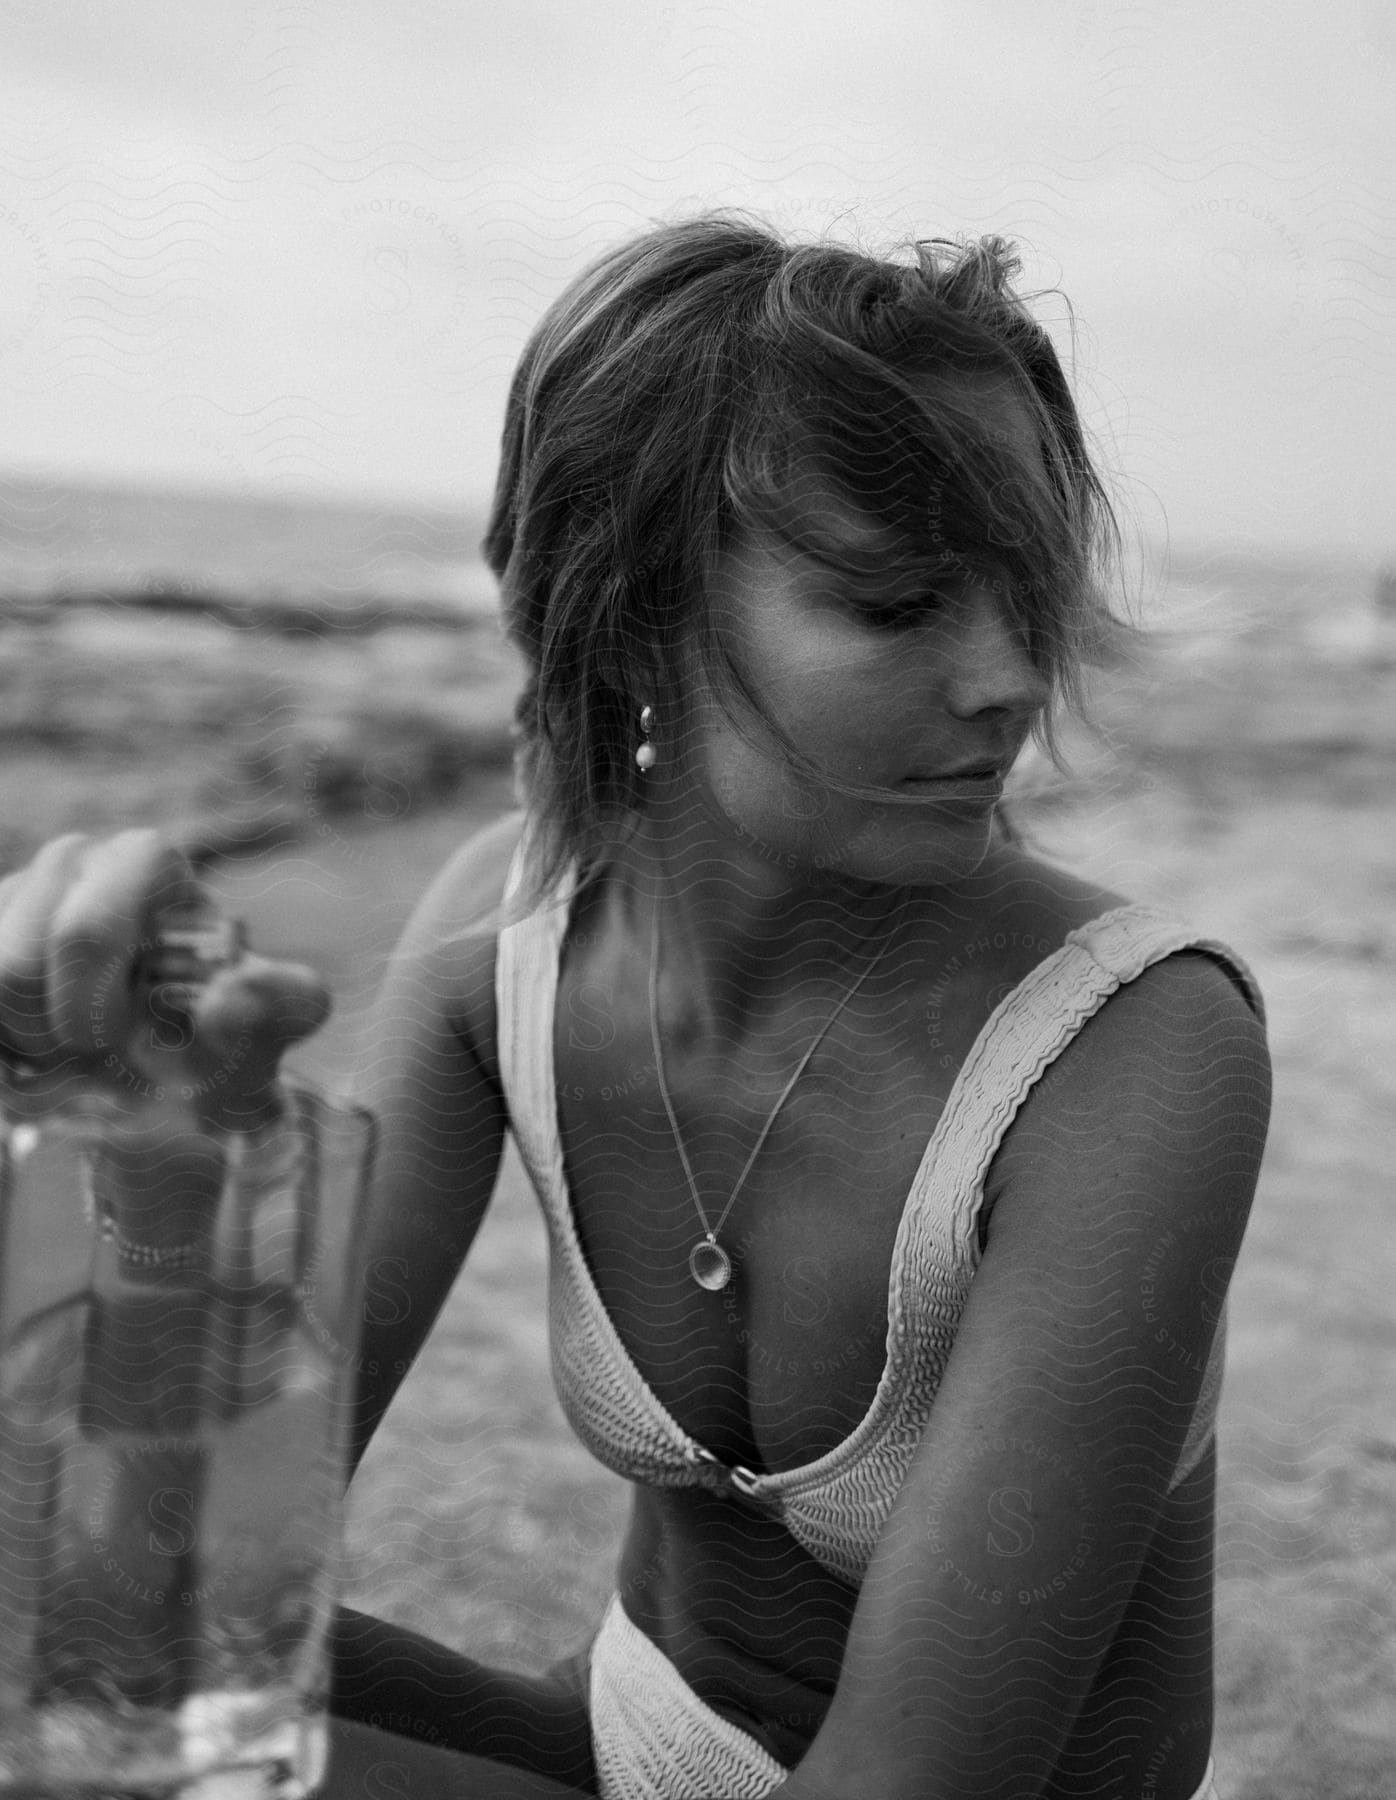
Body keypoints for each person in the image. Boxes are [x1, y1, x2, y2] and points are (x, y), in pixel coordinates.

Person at [0, 216, 1272, 1800]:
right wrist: (137, 1172)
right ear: (633, 603)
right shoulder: (513, 935)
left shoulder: (1129, 1051)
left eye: (1029, 588)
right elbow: (167, 1571)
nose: (1013, 677)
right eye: (900, 603)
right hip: (629, 1742)